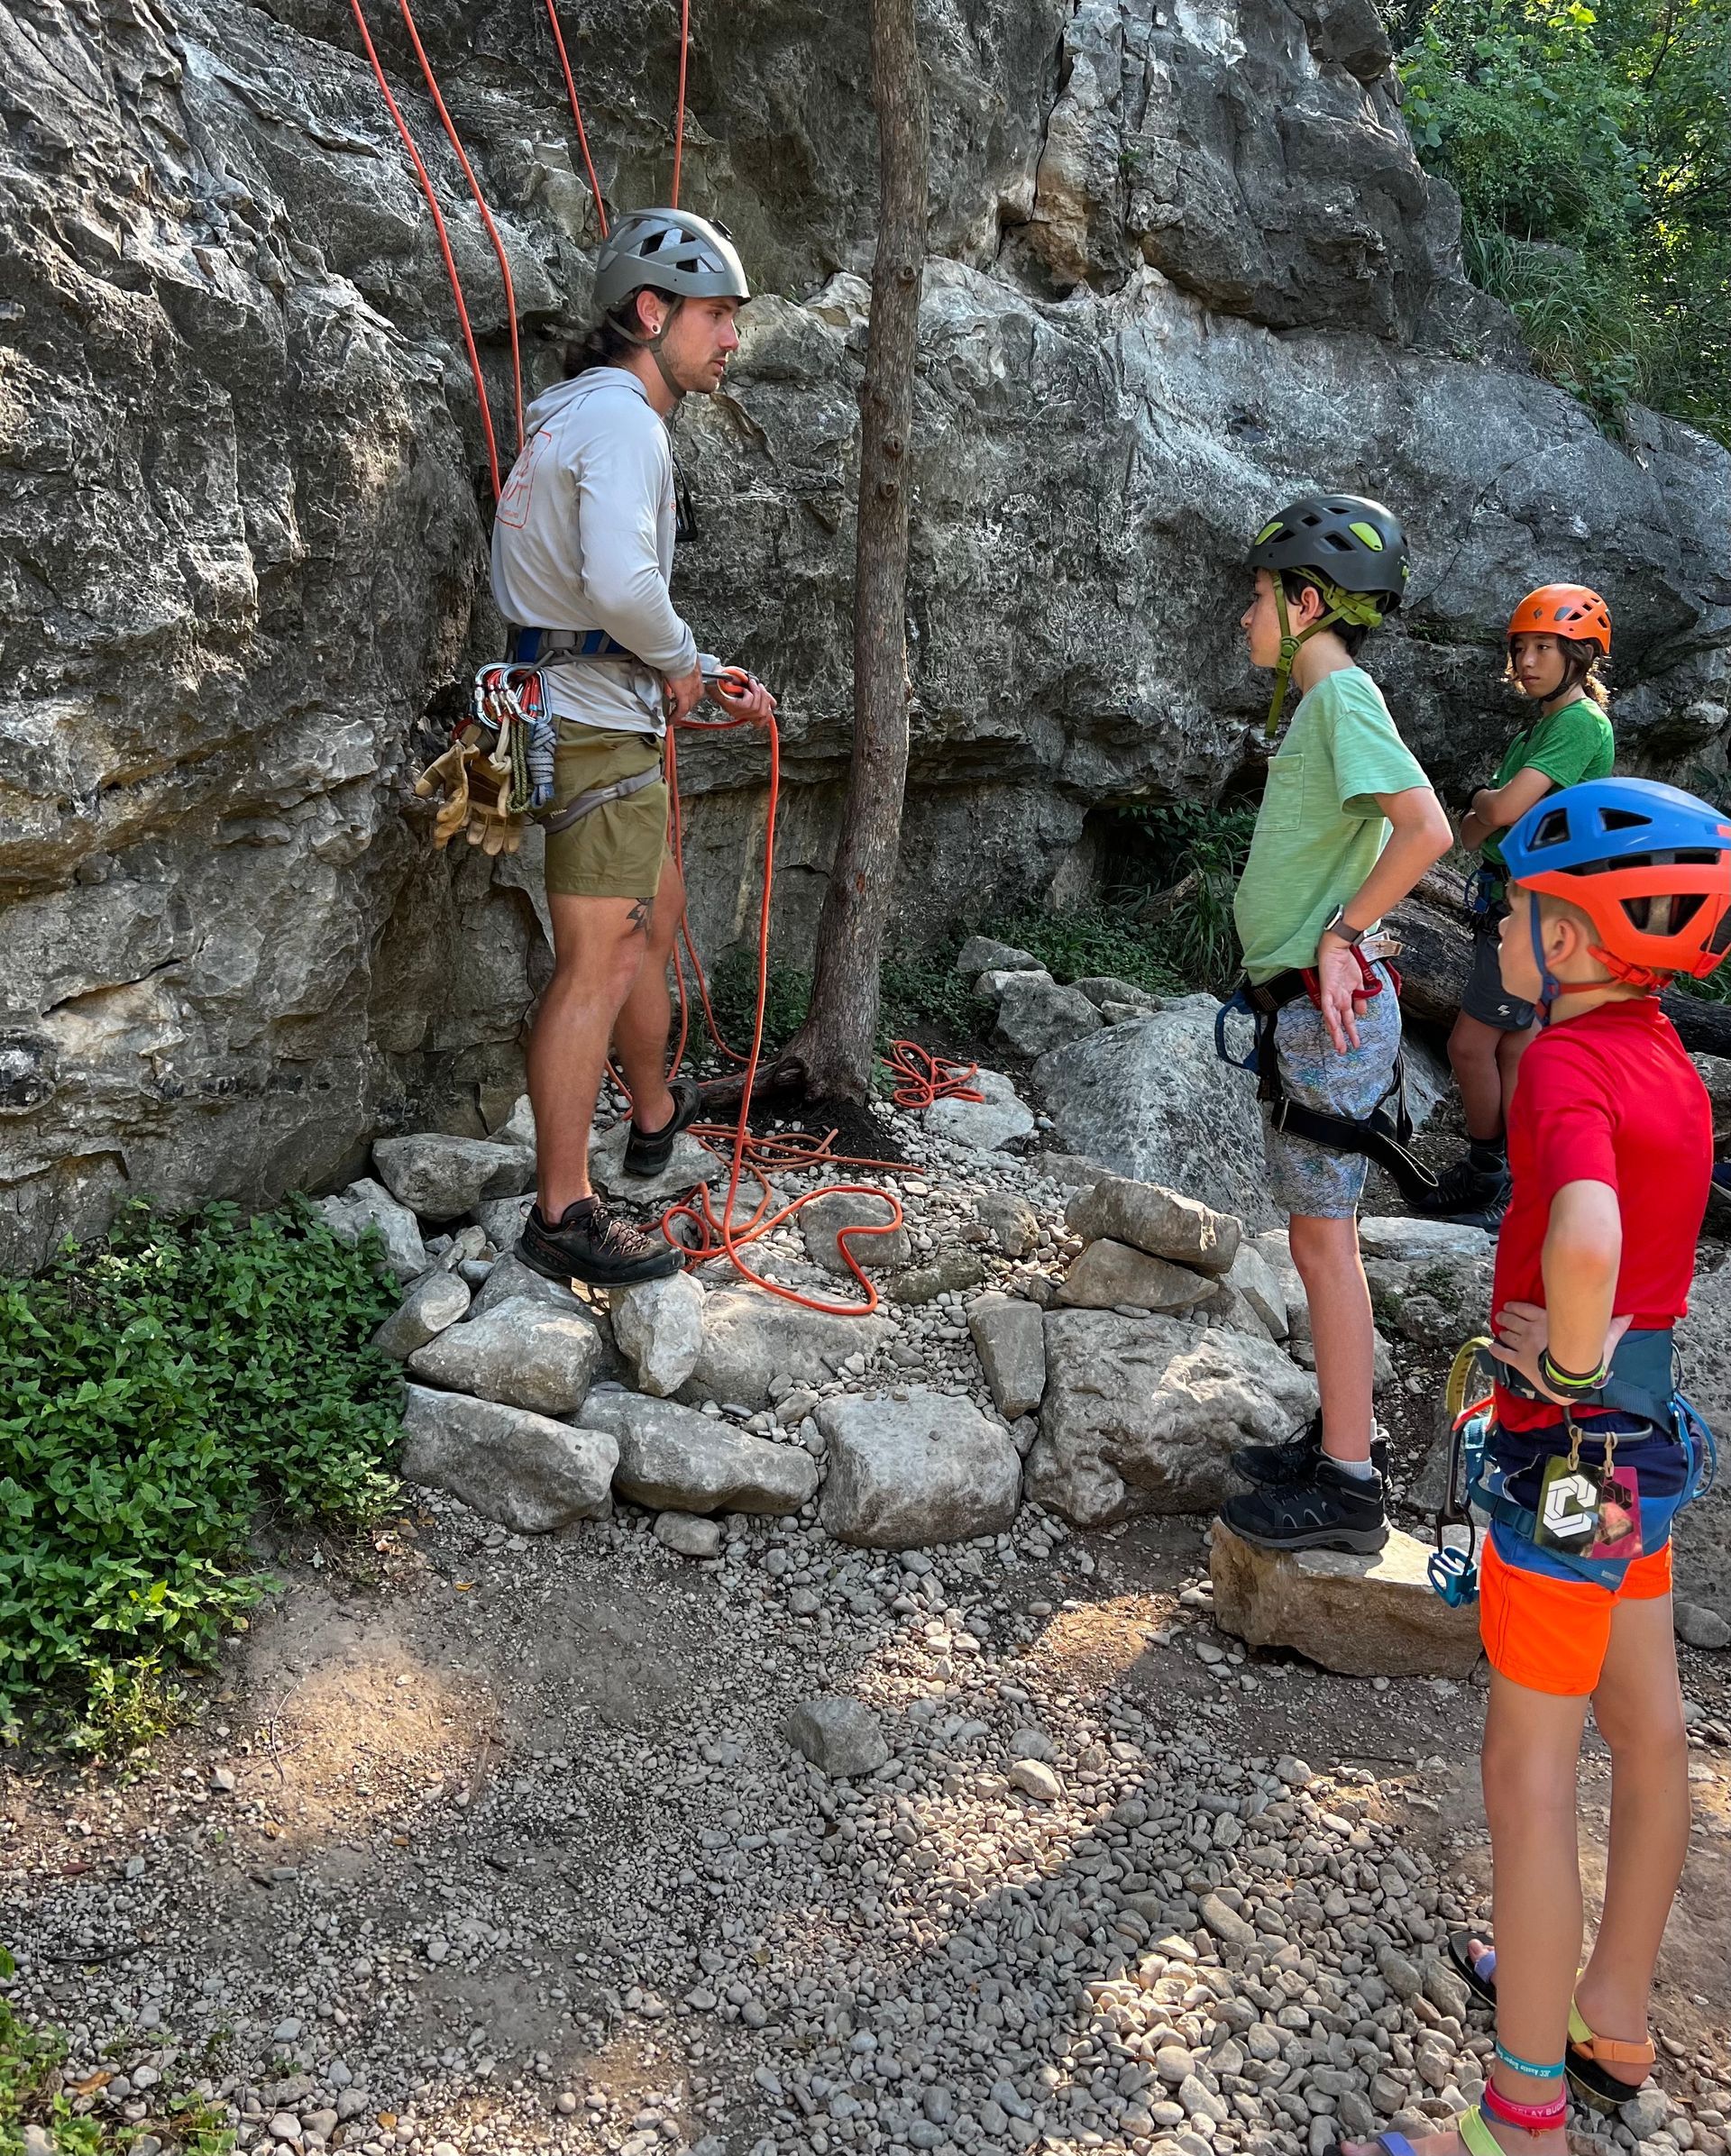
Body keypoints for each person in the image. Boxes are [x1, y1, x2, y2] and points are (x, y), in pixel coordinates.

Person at [1341, 776, 1731, 2156]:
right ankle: (1609, 2011)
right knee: (1651, 1724)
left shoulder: (1564, 1063)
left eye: (1511, 913)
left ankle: (1521, 2118)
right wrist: (1602, 1358)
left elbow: (1581, 1234)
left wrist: (1558, 1364)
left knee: (1527, 1769)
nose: (1497, 932)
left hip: (1568, 1447)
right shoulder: (1670, 1061)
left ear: (1567, 940)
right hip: (1645, 1444)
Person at [490, 208, 777, 1288]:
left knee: (646, 923)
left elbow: (592, 595)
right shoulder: (625, 423)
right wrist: (687, 660)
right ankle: (563, 1209)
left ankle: (655, 1114)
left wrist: (686, 668)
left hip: (595, 701)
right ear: (650, 312)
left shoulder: (574, 411)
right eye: (715, 316)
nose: (730, 340)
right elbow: (618, 583)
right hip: (597, 722)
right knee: (601, 958)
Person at [1215, 496, 1452, 1552]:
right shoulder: (1320, 708)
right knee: (1319, 1245)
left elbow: (1426, 828)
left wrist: (1346, 934)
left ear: (1306, 603)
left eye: (1258, 598)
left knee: (1324, 1246)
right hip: (1302, 1016)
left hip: (1328, 1013)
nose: (1246, 619)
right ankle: (1339, 1438)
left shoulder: (1345, 697)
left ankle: (1350, 1487)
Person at [1418, 586, 1616, 1231]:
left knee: (1470, 1045)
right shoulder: (1543, 728)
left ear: (1580, 656)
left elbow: (1494, 814)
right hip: (1514, 905)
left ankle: (1491, 1175)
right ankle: (1518, 1176)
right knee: (1514, 1046)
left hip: (1537, 914)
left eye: (1543, 648)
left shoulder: (1579, 724)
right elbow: (1475, 834)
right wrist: (1489, 810)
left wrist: (1483, 797)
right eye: (1521, 648)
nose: (1526, 661)